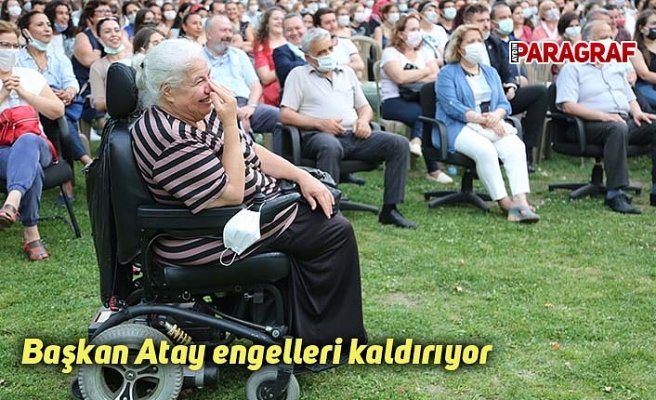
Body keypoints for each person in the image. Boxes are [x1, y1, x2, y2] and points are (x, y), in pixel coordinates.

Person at [131, 37, 366, 346]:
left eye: (210, 76)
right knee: (333, 231)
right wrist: (231, 123)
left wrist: (300, 176)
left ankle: (299, 328)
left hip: (243, 217)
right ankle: (325, 341)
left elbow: (250, 150)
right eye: (199, 81)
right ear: (168, 92)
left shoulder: (195, 113)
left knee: (322, 203)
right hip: (209, 235)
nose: (211, 88)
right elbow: (230, 194)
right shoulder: (168, 137)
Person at [280, 28, 417, 228]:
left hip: (352, 134)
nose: (328, 55)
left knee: (399, 143)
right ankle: (330, 211)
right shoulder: (298, 75)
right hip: (318, 135)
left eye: (329, 49)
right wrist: (319, 123)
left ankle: (390, 209)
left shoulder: (347, 72)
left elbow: (365, 108)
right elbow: (285, 114)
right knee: (330, 146)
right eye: (321, 52)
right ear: (308, 57)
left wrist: (363, 121)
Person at [436, 24, 539, 223]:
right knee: (486, 150)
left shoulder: (490, 72)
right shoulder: (447, 73)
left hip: (491, 123)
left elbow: (503, 103)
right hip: (457, 126)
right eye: (471, 41)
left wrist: (496, 116)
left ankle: (521, 201)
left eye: (479, 41)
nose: (477, 45)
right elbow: (451, 106)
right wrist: (483, 119)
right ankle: (505, 203)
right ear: (459, 48)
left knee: (516, 146)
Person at [556, 20, 656, 213]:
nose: (609, 41)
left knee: (651, 124)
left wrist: (637, 112)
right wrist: (603, 116)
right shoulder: (573, 67)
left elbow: (629, 96)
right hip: (589, 124)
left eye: (611, 37)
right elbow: (567, 106)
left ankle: (655, 189)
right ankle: (615, 194)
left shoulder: (615, 65)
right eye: (603, 38)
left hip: (621, 120)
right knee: (617, 127)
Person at [0, 20, 65, 260]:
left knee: (27, 140)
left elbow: (57, 111)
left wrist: (23, 93)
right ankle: (31, 234)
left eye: (14, 46)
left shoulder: (28, 76)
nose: (10, 51)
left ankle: (12, 200)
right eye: (3, 45)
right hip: (2, 150)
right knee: (32, 168)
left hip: (37, 144)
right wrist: (4, 93)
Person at [463, 3, 548, 172]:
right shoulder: (475, 44)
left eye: (509, 17)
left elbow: (512, 71)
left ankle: (527, 151)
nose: (486, 25)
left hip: (502, 95)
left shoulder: (513, 43)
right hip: (476, 101)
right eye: (502, 18)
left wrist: (512, 85)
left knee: (540, 92)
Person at [380, 13, 452, 184]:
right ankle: (433, 169)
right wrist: (425, 71)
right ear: (400, 33)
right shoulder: (390, 53)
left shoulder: (424, 52)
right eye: (412, 29)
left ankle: (418, 142)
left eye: (418, 29)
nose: (417, 33)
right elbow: (400, 78)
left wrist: (413, 75)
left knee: (428, 111)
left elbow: (437, 76)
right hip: (393, 101)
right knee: (426, 114)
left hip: (418, 99)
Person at [17, 11, 91, 167]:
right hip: (31, 108)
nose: (47, 29)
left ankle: (70, 168)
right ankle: (85, 161)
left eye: (49, 25)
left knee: (58, 115)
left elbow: (71, 81)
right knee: (58, 118)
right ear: (26, 32)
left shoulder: (60, 58)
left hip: (61, 105)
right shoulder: (17, 59)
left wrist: (69, 92)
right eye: (40, 25)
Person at [204, 15, 279, 137]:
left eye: (230, 31)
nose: (228, 35)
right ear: (209, 34)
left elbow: (255, 85)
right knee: (236, 132)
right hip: (218, 108)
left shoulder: (239, 54)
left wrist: (251, 107)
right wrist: (234, 111)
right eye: (223, 30)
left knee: (280, 118)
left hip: (247, 105)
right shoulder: (198, 57)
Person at [89, 17, 131, 114]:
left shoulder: (136, 59)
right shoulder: (97, 67)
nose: (114, 34)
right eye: (107, 31)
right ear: (99, 38)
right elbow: (98, 104)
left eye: (117, 30)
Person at [314, 8, 365, 77]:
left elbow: (359, 64)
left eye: (334, 21)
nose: (332, 25)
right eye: (327, 23)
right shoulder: (314, 47)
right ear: (318, 26)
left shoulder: (346, 42)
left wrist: (336, 67)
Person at [253, 7, 286, 106]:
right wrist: (287, 67)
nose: (280, 21)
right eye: (276, 19)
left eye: (282, 19)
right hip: (274, 93)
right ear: (267, 23)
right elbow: (265, 77)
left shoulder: (292, 40)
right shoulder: (262, 46)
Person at [273, 12, 307, 89]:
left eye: (297, 28)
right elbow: (285, 69)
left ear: (305, 28)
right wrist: (313, 63)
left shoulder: (314, 46)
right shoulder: (280, 51)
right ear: (284, 33)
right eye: (289, 30)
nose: (294, 32)